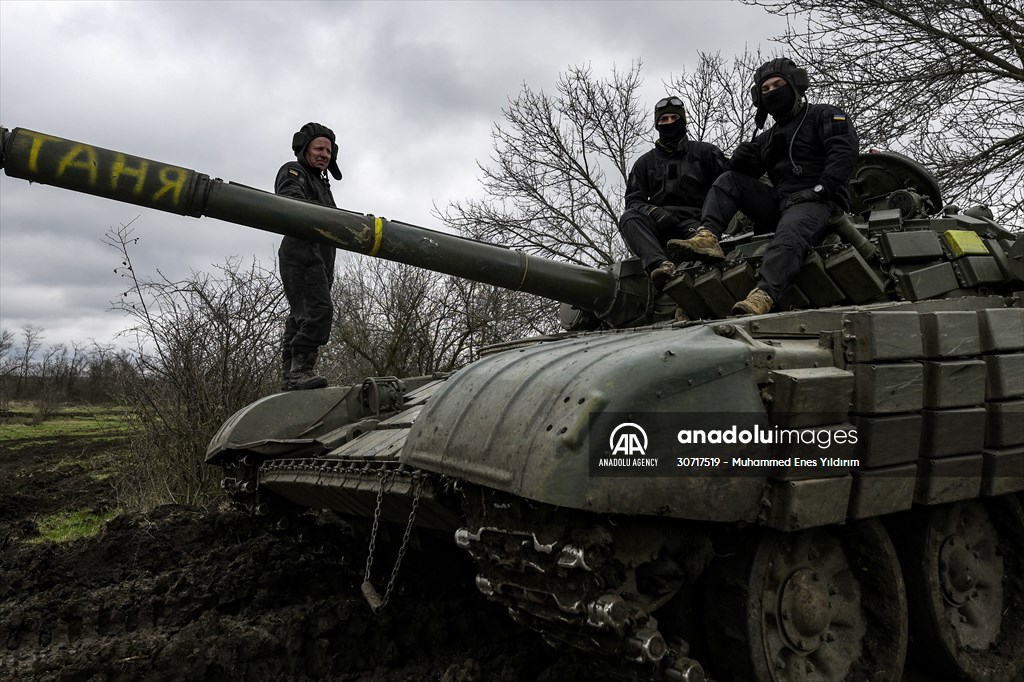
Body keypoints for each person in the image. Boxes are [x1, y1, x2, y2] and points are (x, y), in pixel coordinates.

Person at [668, 58, 859, 315]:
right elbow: (742, 180)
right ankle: (708, 236)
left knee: (789, 234)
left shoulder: (824, 115)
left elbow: (842, 153)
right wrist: (738, 163)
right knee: (728, 181)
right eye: (765, 89)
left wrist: (823, 189)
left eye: (778, 85)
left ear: (795, 86)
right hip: (782, 201)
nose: (772, 92)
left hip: (819, 199)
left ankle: (764, 294)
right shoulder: (767, 138)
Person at [618, 97, 728, 289]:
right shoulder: (645, 163)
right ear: (657, 125)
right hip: (661, 224)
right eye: (664, 119)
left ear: (683, 121)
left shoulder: (704, 152)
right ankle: (661, 265)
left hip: (698, 224)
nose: (669, 123)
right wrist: (654, 212)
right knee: (629, 218)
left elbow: (728, 185)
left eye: (674, 118)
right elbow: (633, 201)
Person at [276, 122, 343, 391]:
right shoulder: (294, 172)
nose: (324, 154)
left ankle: (290, 374)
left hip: (321, 260)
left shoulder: (321, 183)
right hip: (302, 255)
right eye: (319, 148)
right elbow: (291, 202)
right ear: (305, 149)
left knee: (300, 315)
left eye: (328, 150)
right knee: (318, 311)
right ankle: (300, 372)